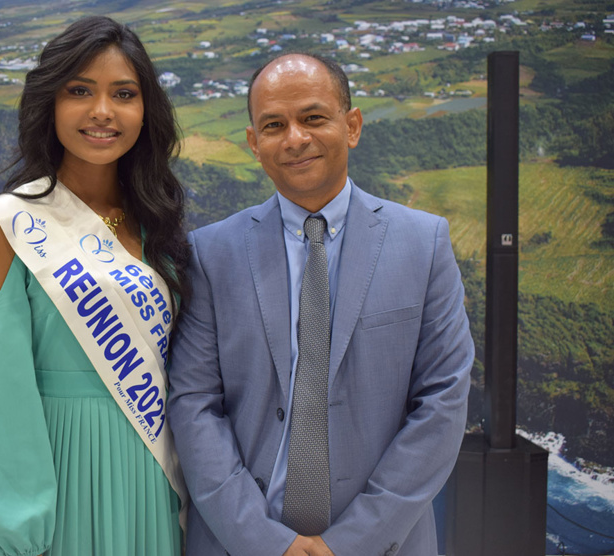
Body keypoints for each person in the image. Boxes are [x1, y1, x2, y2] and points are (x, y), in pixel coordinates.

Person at [167, 52, 474, 556]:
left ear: (351, 126)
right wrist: (267, 543)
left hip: (384, 544)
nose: (294, 139)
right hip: (239, 542)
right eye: (273, 125)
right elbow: (195, 405)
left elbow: (441, 403)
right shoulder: (210, 253)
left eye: (313, 118)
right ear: (253, 143)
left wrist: (349, 545)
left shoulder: (424, 244)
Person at [0, 16, 190, 556]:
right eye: (80, 91)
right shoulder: (5, 224)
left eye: (124, 94)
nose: (102, 112)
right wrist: (19, 526)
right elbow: (0, 392)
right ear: (51, 104)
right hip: (61, 476)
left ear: (145, 110)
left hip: (157, 473)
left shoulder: (157, 225)